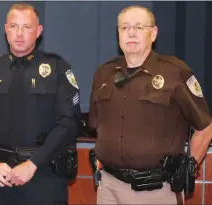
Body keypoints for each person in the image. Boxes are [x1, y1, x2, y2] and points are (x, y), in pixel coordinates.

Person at [89, 5, 212, 205]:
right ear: (118, 33)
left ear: (153, 33)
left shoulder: (175, 72)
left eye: (139, 27)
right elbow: (97, 125)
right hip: (109, 188)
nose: (131, 33)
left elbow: (205, 127)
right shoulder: (104, 74)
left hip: (156, 190)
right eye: (124, 27)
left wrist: (190, 165)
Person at [0, 3, 80, 205]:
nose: (19, 33)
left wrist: (32, 164)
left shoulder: (58, 68)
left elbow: (68, 124)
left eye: (27, 27)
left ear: (38, 31)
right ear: (6, 30)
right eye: (14, 26)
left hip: (45, 175)